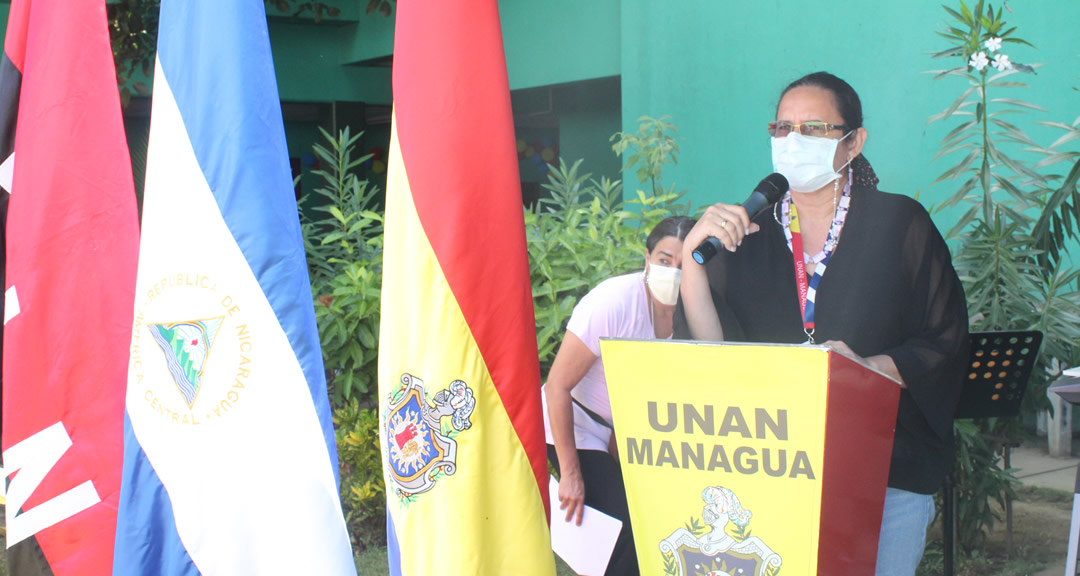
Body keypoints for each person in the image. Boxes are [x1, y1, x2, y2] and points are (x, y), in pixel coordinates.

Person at [675, 71, 969, 576]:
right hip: (776, 474)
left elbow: (946, 341)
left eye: (813, 128)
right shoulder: (746, 235)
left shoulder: (900, 225)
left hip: (884, 475)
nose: (793, 142)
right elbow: (709, 353)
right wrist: (691, 261)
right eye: (782, 128)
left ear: (854, 142)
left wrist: (867, 367)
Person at [544, 215, 696, 576]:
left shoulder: (692, 316)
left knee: (659, 521)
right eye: (663, 261)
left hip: (622, 435)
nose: (672, 272)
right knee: (625, 529)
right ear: (646, 258)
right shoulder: (614, 302)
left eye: (683, 264)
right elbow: (557, 387)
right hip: (572, 425)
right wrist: (571, 474)